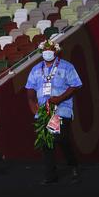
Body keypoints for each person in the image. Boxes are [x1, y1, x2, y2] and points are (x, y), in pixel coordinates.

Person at [25, 38, 82, 184]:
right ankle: (50, 175)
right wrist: (32, 102)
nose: (47, 53)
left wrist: (61, 98)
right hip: (43, 111)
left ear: (55, 52)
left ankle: (73, 164)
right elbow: (30, 88)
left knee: (60, 138)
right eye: (45, 50)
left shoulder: (66, 67)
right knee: (46, 142)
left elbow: (76, 85)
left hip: (60, 109)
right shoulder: (36, 69)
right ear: (41, 52)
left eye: (50, 50)